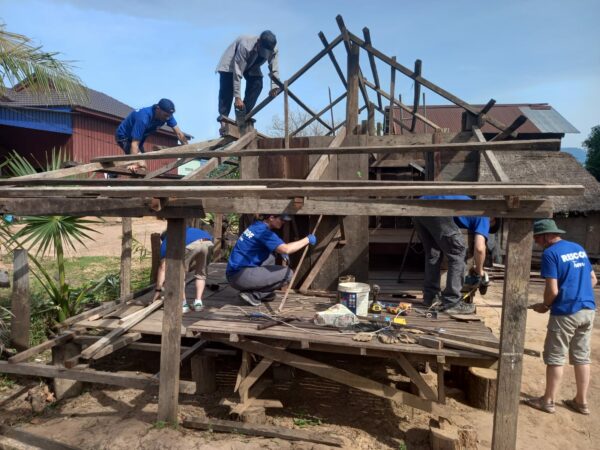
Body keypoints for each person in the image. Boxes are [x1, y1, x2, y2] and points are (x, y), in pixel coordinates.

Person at [525, 219, 596, 415]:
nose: (536, 242)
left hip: (566, 312)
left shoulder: (550, 254)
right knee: (582, 357)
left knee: (555, 357)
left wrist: (545, 305)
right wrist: (578, 293)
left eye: (537, 238)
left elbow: (553, 290)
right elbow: (593, 279)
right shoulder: (578, 248)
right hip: (588, 309)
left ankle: (547, 401)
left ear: (547, 236)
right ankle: (581, 402)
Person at [414, 195, 494, 315]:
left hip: (417, 208)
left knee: (433, 254)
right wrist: (479, 270)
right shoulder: (485, 216)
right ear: (493, 220)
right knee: (458, 251)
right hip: (437, 209)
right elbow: (480, 248)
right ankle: (452, 302)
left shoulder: (470, 209)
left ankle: (430, 297)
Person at [226, 214, 317, 306]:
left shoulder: (256, 226)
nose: (283, 222)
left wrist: (280, 250)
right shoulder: (264, 232)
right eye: (281, 219)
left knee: (271, 257)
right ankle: (254, 295)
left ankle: (258, 291)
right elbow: (286, 249)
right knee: (288, 274)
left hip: (234, 274)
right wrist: (307, 239)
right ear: (271, 218)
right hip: (239, 276)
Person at [216, 31, 279, 129]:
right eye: (263, 51)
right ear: (258, 42)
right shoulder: (245, 45)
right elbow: (237, 71)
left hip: (252, 64)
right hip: (232, 63)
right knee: (228, 87)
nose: (264, 54)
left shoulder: (273, 49)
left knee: (257, 84)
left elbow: (274, 68)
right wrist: (237, 97)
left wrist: (275, 86)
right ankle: (224, 121)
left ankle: (242, 116)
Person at [115, 98, 188, 174]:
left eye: (169, 116)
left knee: (142, 168)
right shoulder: (143, 118)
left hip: (138, 140)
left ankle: (118, 171)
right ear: (158, 109)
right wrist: (133, 163)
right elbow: (134, 144)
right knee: (141, 166)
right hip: (124, 137)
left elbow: (179, 134)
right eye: (166, 115)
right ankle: (116, 170)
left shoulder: (167, 115)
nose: (167, 118)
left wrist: (189, 149)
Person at [153, 226, 214, 313]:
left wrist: (158, 290)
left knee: (180, 275)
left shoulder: (167, 240)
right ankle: (198, 303)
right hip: (208, 243)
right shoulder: (187, 229)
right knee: (201, 273)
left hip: (191, 245)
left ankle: (183, 304)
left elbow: (163, 267)